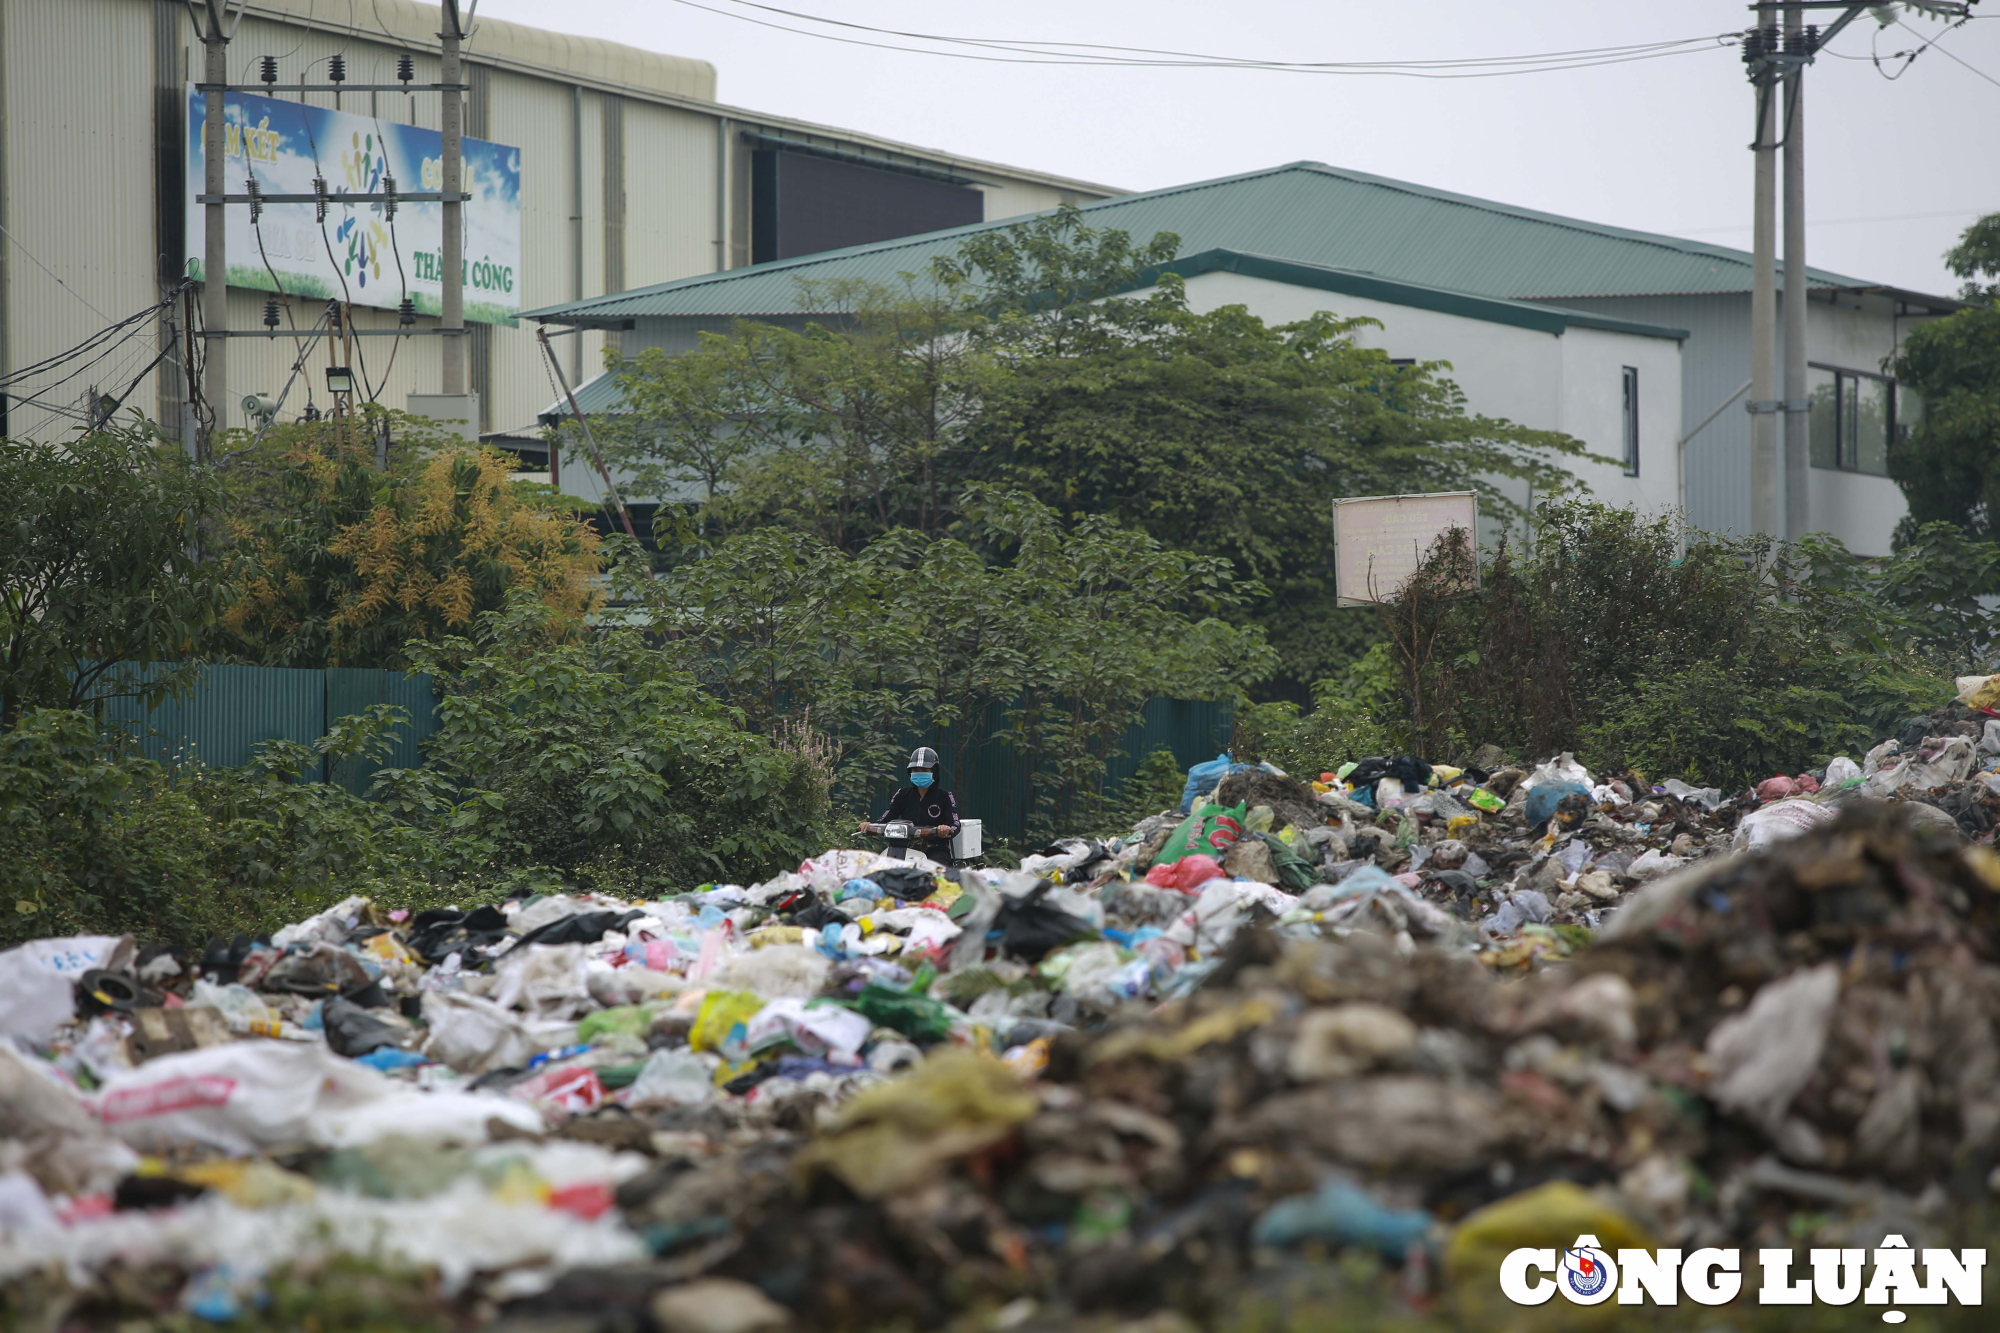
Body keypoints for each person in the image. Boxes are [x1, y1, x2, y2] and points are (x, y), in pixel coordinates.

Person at [862, 746, 961, 859]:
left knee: (936, 870)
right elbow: (884, 819)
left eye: (924, 770)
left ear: (934, 772)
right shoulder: (902, 794)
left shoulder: (945, 796)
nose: (919, 773)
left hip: (935, 849)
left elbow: (955, 824)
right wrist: (869, 826)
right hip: (904, 849)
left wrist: (945, 829)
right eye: (915, 770)